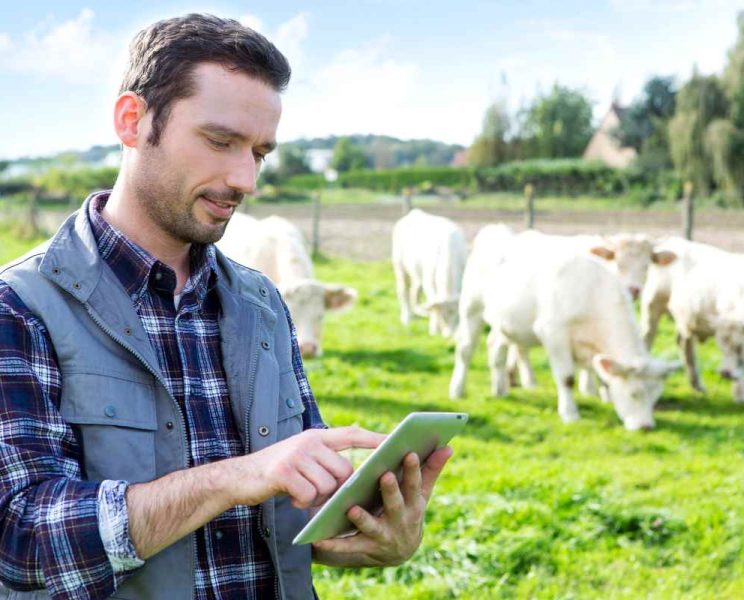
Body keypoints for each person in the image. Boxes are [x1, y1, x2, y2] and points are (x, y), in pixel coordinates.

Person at [0, 13, 452, 600]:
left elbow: (290, 511)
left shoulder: (263, 303)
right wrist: (238, 477)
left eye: (259, 152)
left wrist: (373, 530)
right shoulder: (21, 306)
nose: (246, 178)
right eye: (220, 141)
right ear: (133, 121)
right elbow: (21, 538)